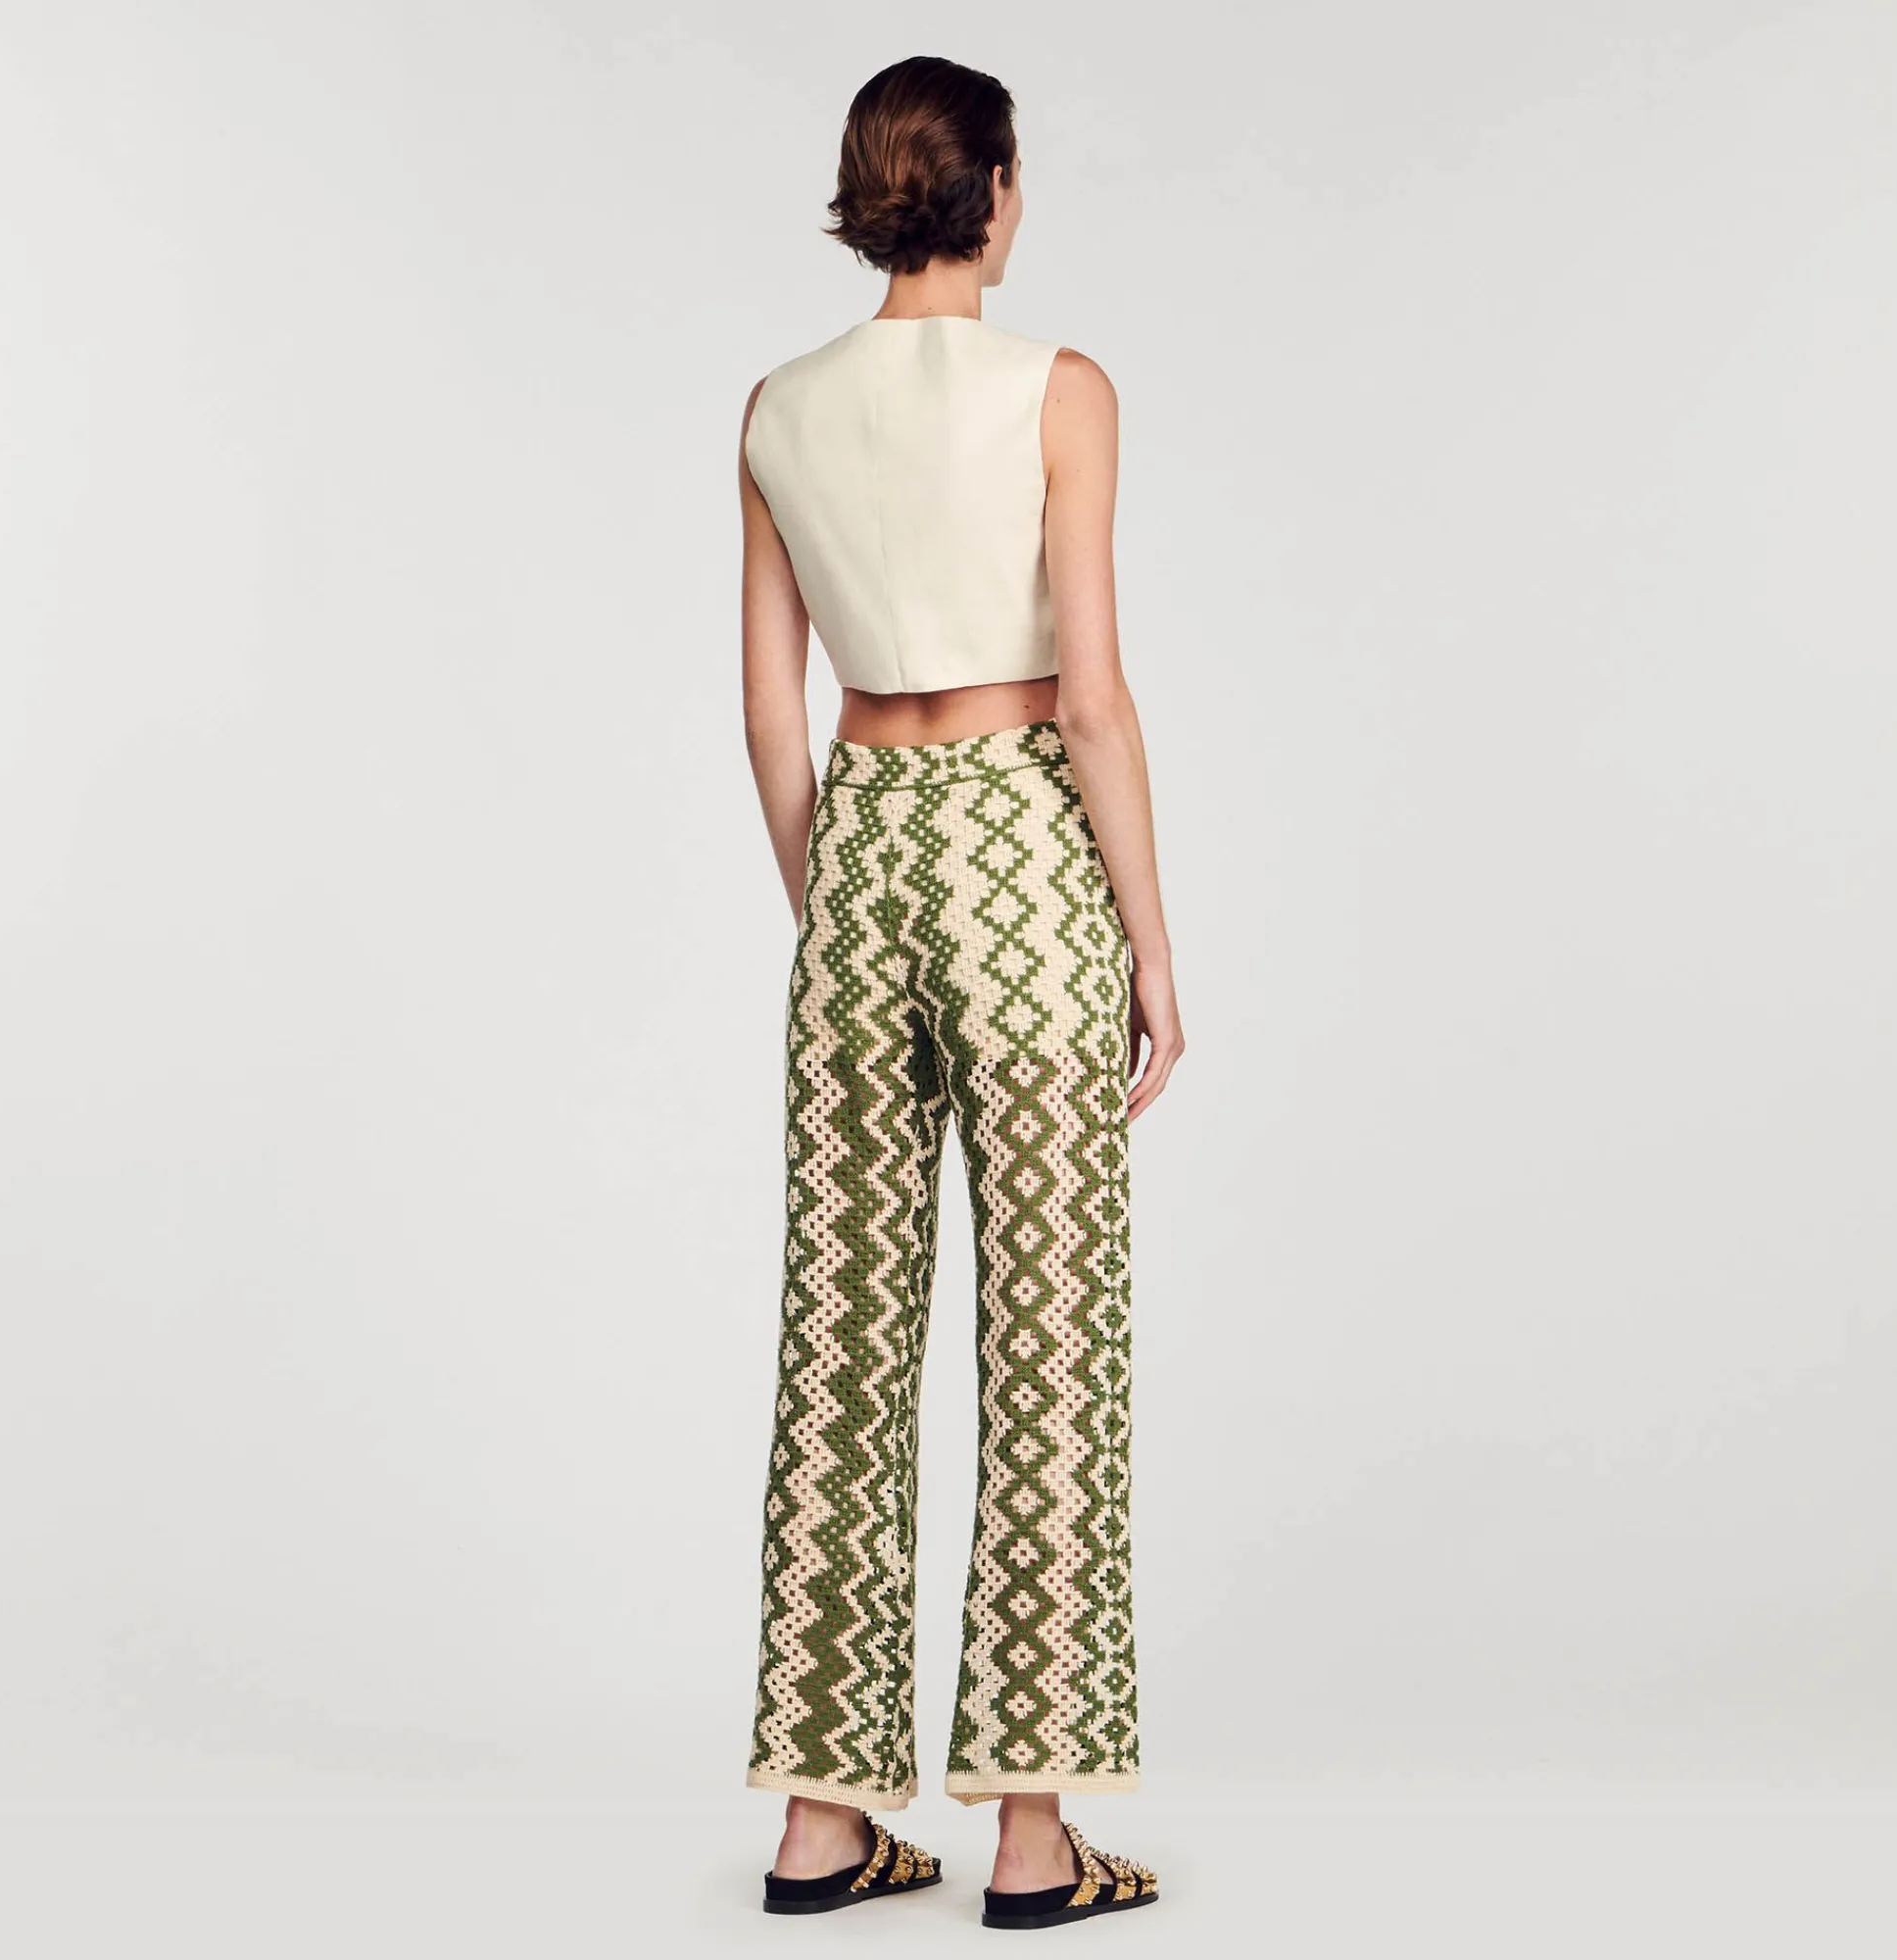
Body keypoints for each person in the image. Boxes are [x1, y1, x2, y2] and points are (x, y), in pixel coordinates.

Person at [737, 55, 1185, 1932]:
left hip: (861, 838)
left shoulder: (777, 408)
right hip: (1018, 846)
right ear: (991, 193)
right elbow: (1092, 697)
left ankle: (818, 1823)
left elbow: (772, 716)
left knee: (841, 1339)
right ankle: (1032, 1837)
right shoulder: (1057, 389)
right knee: (1050, 1337)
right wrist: (1149, 943)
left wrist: (837, 902)